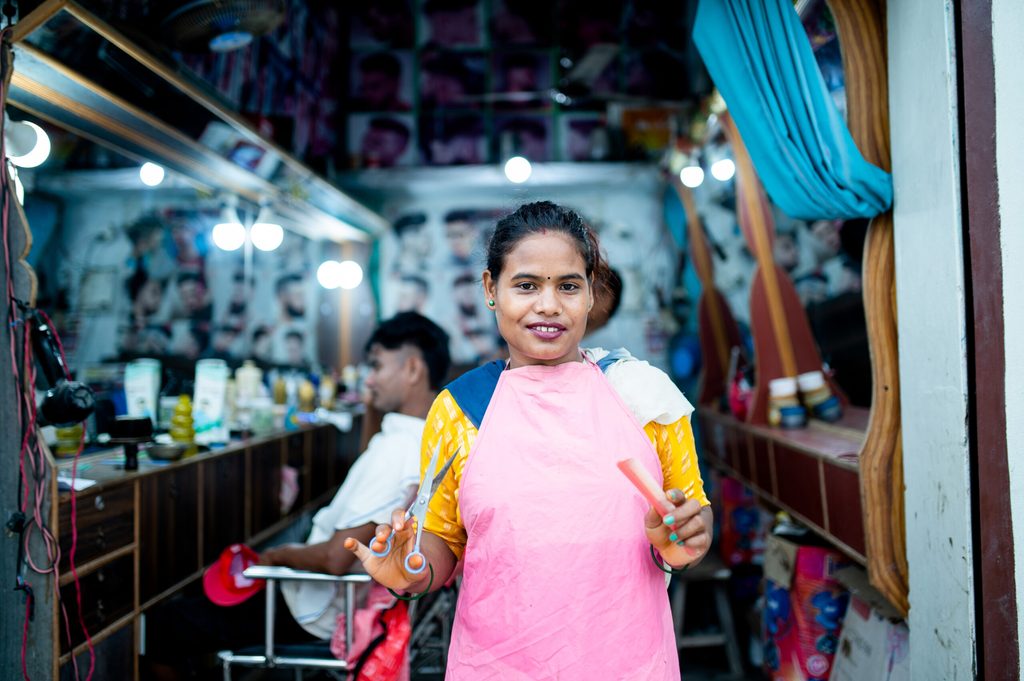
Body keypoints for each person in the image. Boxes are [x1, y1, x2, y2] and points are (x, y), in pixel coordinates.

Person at [346, 201, 712, 679]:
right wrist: (407, 573)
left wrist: (686, 538)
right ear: (490, 289)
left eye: (568, 286)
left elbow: (689, 521)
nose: (548, 306)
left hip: (629, 663)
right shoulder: (460, 409)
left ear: (590, 294)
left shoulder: (644, 396)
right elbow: (439, 545)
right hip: (495, 666)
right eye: (526, 285)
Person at [145, 312, 452, 679]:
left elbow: (336, 558)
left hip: (314, 609)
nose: (368, 380)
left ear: (413, 369)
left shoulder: (396, 453)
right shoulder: (425, 441)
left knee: (162, 626)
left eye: (376, 366)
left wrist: (275, 556)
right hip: (344, 601)